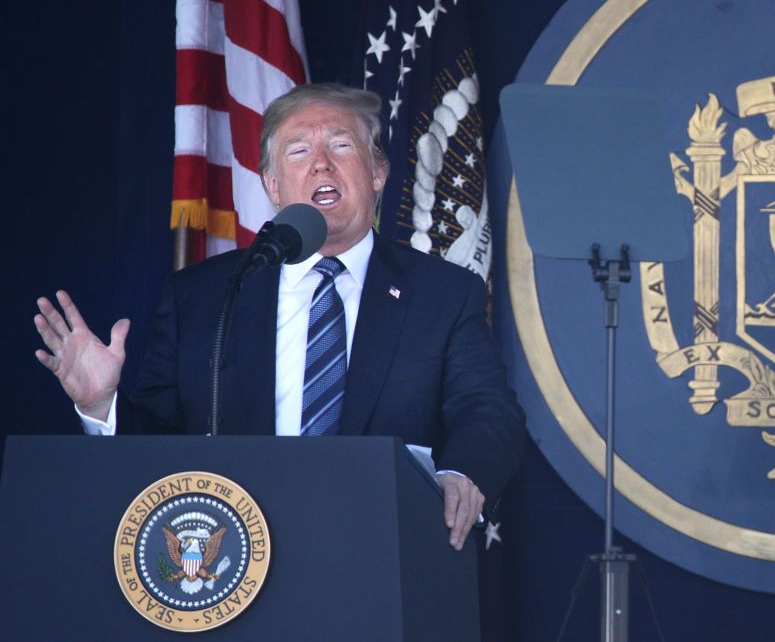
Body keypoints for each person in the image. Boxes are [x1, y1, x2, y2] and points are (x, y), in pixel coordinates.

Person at [34, 83, 524, 551]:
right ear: (272, 184)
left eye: (340, 145)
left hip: (385, 556)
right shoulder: (204, 297)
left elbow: (487, 410)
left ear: (377, 173)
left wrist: (461, 474)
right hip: (237, 565)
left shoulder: (442, 293)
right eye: (298, 152)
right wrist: (102, 406)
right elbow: (161, 445)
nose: (320, 164)